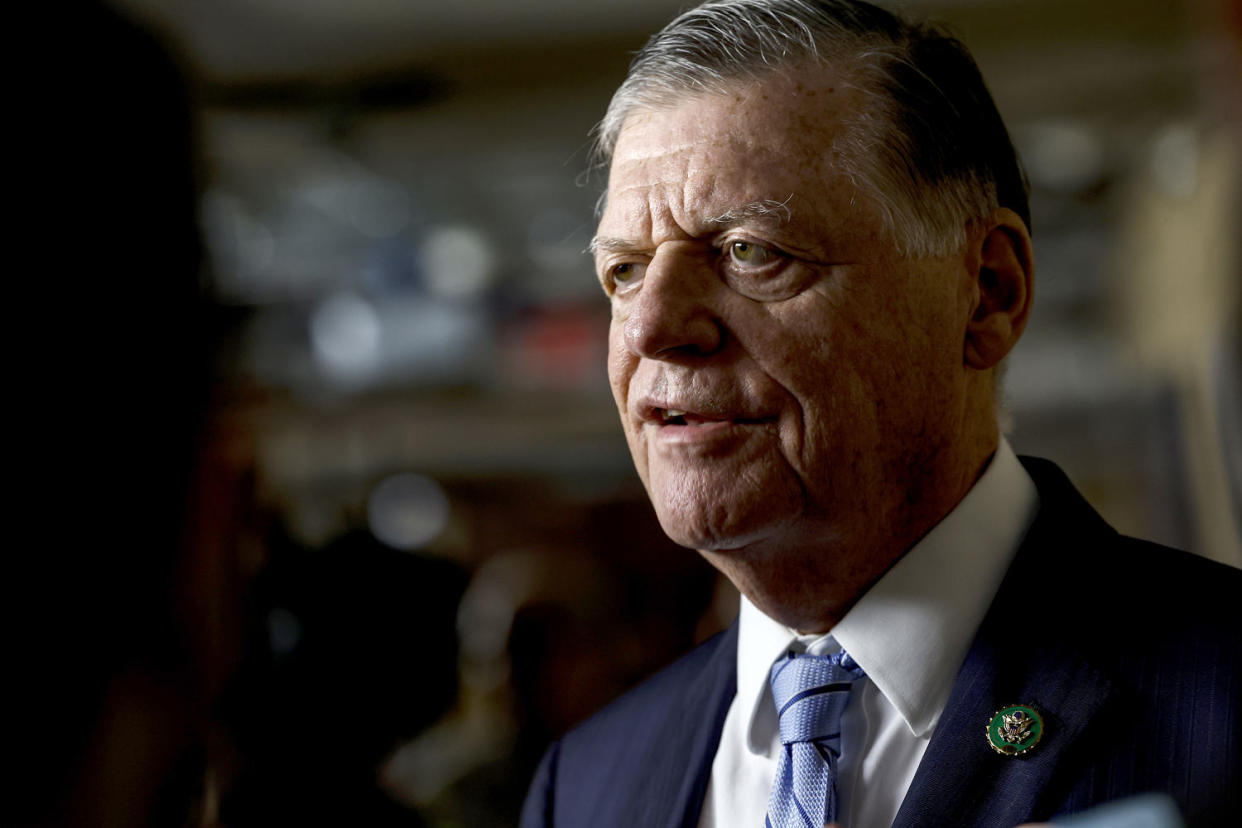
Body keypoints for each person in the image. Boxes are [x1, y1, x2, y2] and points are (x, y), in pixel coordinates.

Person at [519, 1, 1241, 827]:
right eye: (624, 272)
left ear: (986, 295)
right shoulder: (582, 786)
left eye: (750, 252)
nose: (651, 327)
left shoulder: (1224, 697)